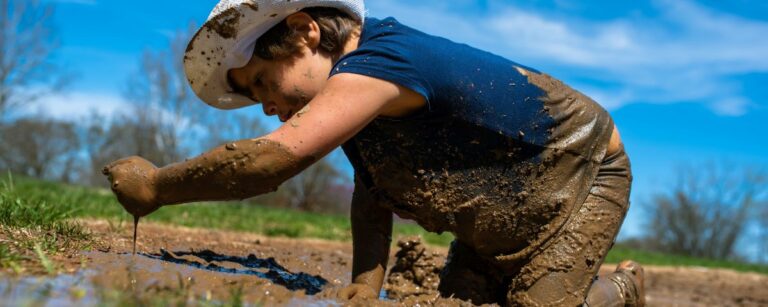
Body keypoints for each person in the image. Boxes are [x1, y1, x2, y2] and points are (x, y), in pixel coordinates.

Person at [102, 0, 645, 305]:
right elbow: (372, 194)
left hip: (584, 169)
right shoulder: (360, 109)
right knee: (461, 302)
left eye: (263, 82)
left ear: (303, 32)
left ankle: (621, 291)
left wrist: (156, 186)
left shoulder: (381, 63)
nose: (265, 107)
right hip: (503, 201)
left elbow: (271, 161)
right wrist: (366, 287)